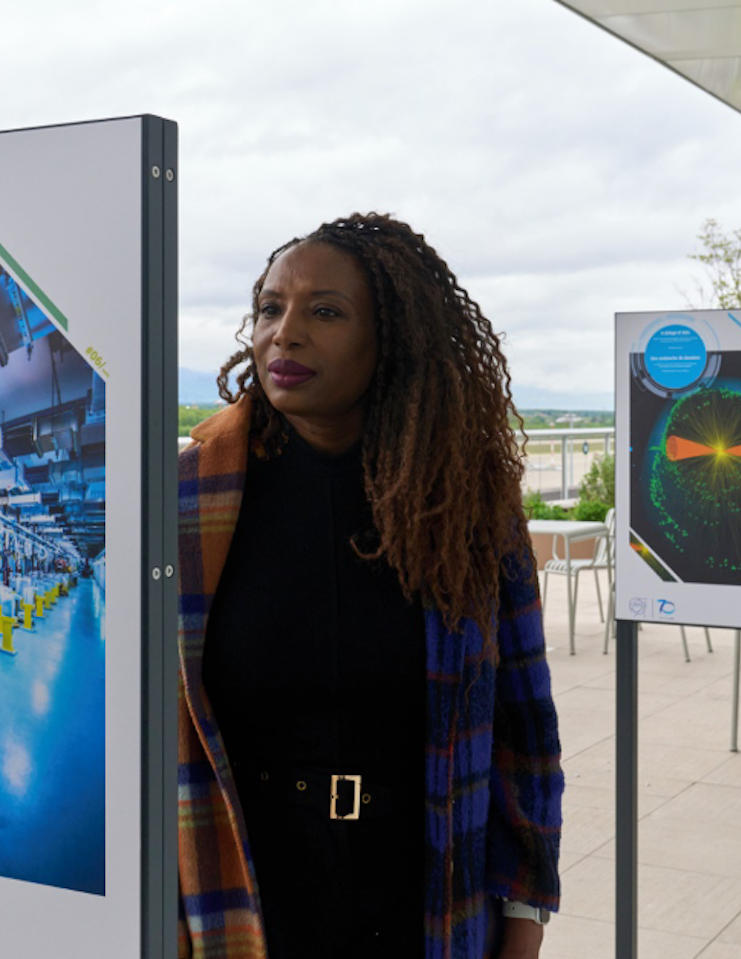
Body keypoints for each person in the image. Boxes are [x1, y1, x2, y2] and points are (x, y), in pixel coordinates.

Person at [177, 213, 563, 959]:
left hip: (424, 898)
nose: (284, 334)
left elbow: (524, 728)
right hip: (250, 900)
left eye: (325, 311)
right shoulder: (191, 500)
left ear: (392, 337)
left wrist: (522, 922)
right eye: (270, 307)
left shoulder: (467, 502)